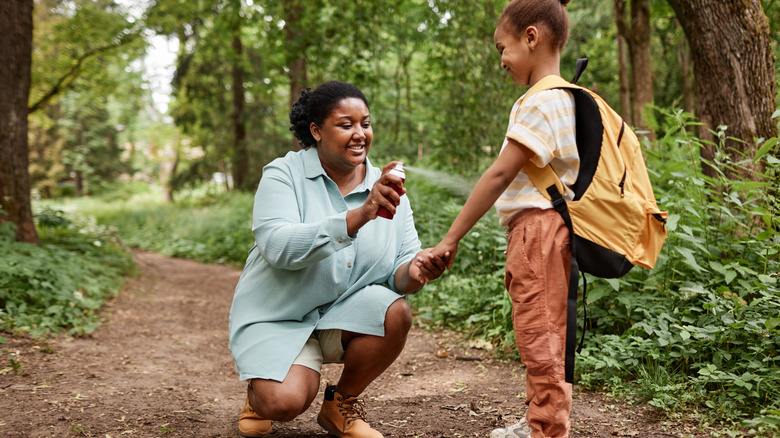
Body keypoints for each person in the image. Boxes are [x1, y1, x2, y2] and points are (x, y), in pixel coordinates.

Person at [228, 80, 446, 438]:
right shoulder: (283, 175)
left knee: (396, 311)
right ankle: (259, 392)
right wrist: (359, 215)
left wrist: (418, 269)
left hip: (341, 315)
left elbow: (399, 272)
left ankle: (341, 403)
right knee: (282, 403)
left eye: (366, 123)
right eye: (346, 125)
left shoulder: (387, 188)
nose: (360, 134)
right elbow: (278, 246)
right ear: (316, 131)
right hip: (279, 314)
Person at [428, 1, 577, 437]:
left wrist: (450, 239)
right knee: (546, 330)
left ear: (531, 37)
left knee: (540, 334)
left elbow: (498, 175)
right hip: (557, 230)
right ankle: (541, 420)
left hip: (537, 231)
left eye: (503, 48)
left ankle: (546, 430)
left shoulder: (539, 102)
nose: (501, 61)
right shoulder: (570, 96)